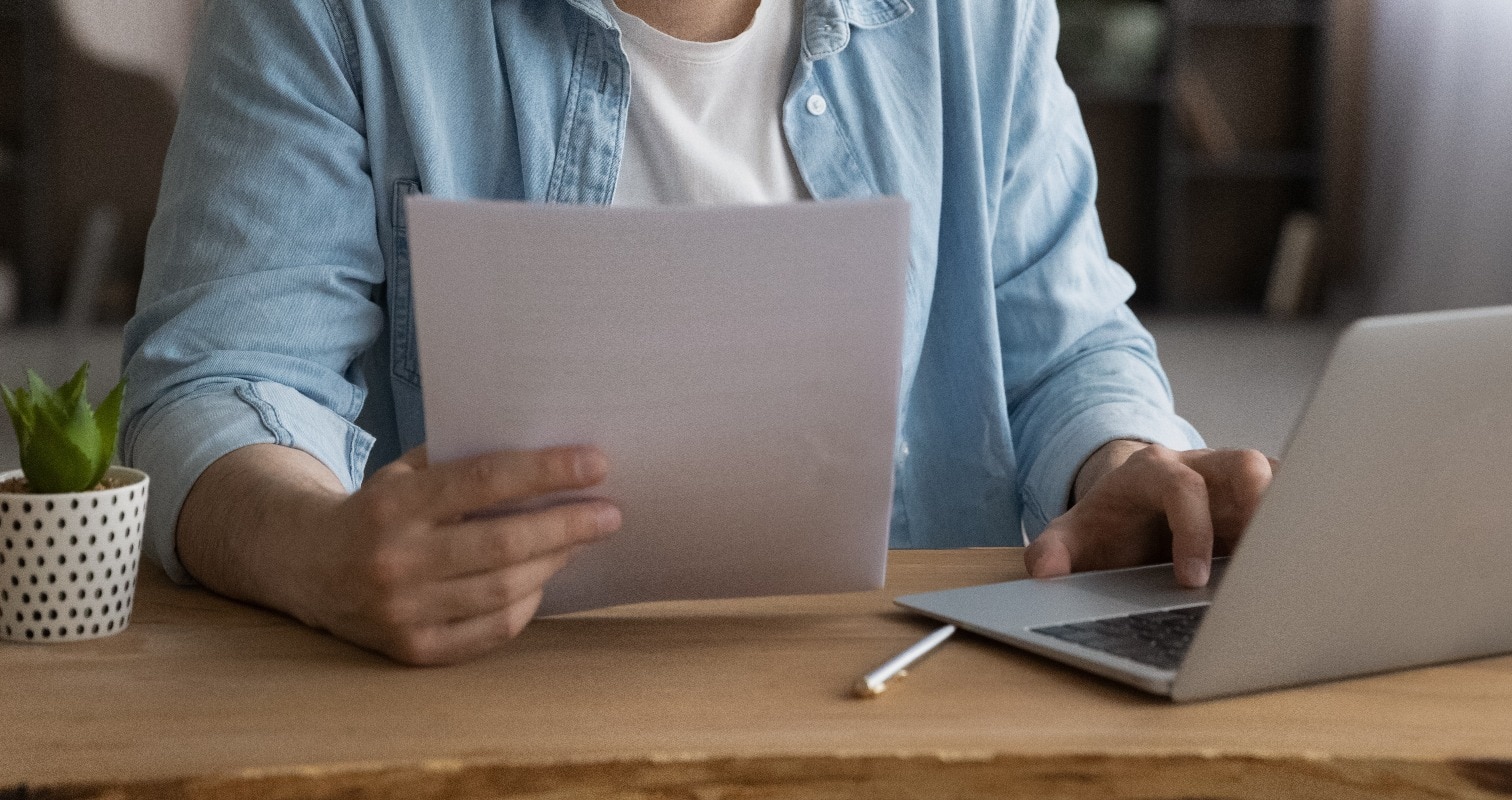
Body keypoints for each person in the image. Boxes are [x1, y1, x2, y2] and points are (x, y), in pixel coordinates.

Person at [122, 0, 1275, 666]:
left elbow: (1063, 336)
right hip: (489, 699)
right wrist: (315, 549)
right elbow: (218, 379)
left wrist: (1121, 460)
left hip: (895, 687)